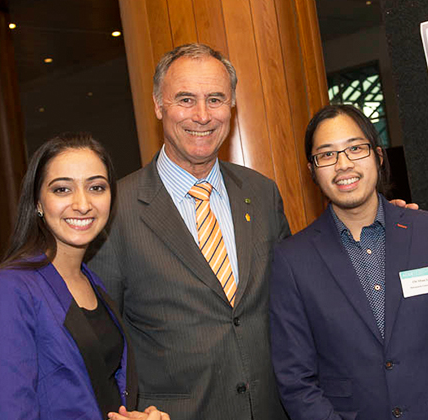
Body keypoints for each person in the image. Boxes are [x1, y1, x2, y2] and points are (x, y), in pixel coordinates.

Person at [88, 44, 291, 419]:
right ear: (158, 106)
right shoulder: (115, 211)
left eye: (215, 99)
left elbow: (295, 298)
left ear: (230, 106)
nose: (202, 116)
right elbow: (99, 339)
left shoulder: (261, 193)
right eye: (185, 99)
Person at [270, 105, 428, 420]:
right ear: (312, 171)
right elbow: (295, 380)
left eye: (355, 148)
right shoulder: (293, 259)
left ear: (378, 156)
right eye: (327, 155)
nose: (343, 165)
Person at [0, 133, 169, 420]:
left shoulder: (93, 283)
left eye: (96, 187)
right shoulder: (6, 290)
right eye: (62, 190)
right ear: (37, 202)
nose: (83, 204)